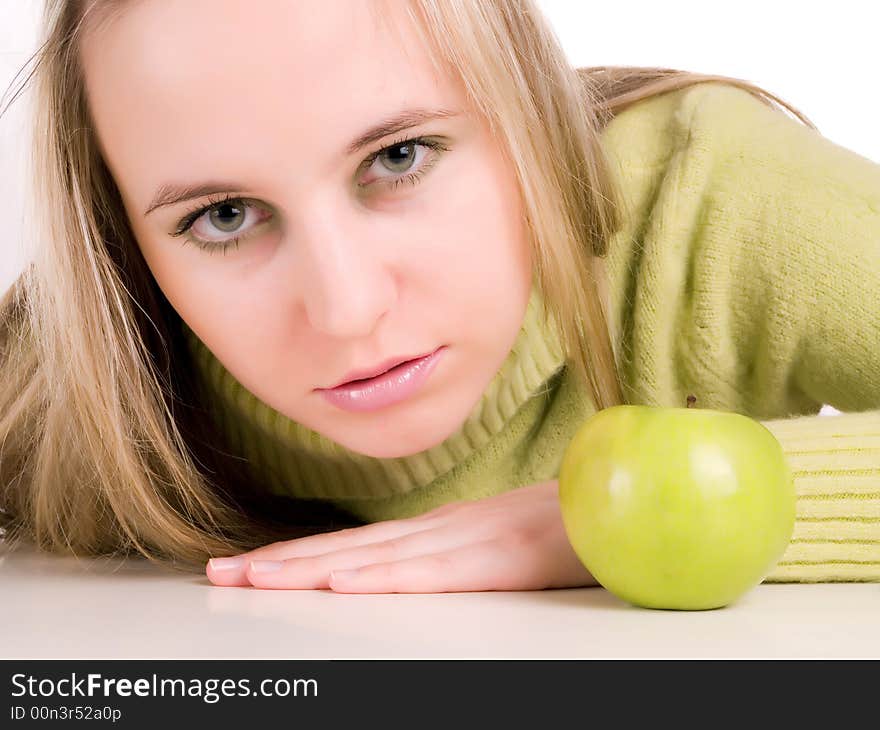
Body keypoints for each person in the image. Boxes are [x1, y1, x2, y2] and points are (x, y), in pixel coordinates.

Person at [0, 0, 877, 594]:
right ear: (118, 241)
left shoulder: (719, 193)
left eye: (398, 158)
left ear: (527, 106)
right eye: (224, 216)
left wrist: (625, 515)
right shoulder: (80, 363)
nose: (346, 311)